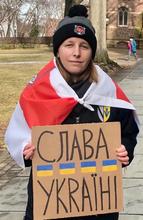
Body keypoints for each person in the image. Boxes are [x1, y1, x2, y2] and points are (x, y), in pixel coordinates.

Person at [5, 4, 139, 220]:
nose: (76, 53)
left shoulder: (109, 92)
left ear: (92, 51)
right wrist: (25, 151)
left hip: (98, 207)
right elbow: (17, 135)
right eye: (69, 44)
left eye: (84, 46)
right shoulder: (38, 91)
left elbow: (128, 133)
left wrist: (126, 150)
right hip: (50, 204)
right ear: (58, 49)